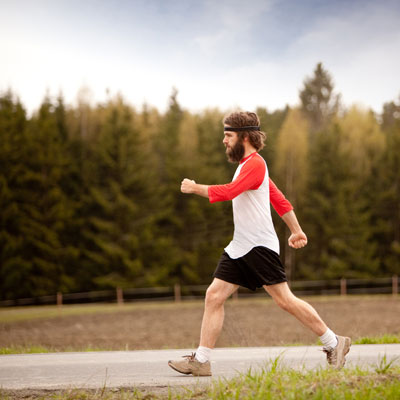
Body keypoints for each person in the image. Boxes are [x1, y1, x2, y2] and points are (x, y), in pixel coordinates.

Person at [168, 111, 351, 377]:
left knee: (285, 301)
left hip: (258, 248)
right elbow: (279, 199)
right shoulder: (248, 166)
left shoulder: (255, 164)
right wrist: (296, 230)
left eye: (228, 135)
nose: (224, 140)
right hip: (241, 246)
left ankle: (334, 342)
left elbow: (229, 192)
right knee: (214, 295)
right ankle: (202, 361)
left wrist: (195, 188)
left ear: (244, 137)